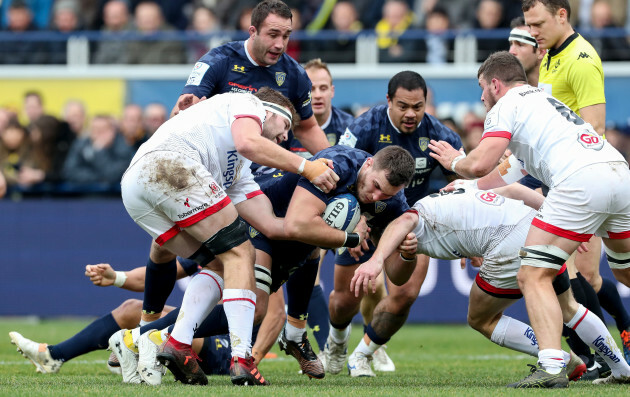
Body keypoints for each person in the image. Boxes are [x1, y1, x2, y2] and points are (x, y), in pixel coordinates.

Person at [428, 51, 630, 387]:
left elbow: (479, 163)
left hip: (579, 183)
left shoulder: (507, 105)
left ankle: (551, 367)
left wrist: (454, 161)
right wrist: (464, 188)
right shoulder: (542, 103)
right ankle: (622, 369)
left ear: (495, 83)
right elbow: (496, 176)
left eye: (482, 88)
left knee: (533, 275)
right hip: (618, 174)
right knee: (624, 271)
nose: (481, 98)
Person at [116, 88, 337, 387]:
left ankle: (177, 342)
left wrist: (330, 234)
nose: (285, 138)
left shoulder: (238, 170)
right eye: (285, 127)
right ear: (271, 113)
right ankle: (242, 357)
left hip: (135, 188)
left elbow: (271, 226)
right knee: (242, 254)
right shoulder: (249, 102)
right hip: (170, 165)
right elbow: (249, 142)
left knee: (220, 264)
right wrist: (307, 166)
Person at [350, 183, 630, 386]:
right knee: (568, 306)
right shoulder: (456, 191)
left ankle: (561, 361)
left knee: (481, 318)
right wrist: (561, 225)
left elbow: (405, 226)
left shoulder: (410, 219)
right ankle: (621, 369)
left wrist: (375, 260)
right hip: (538, 226)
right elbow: (514, 193)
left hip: (509, 242)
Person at [324, 70, 462, 377]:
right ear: (389, 101)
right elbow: (341, 171)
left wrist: (468, 241)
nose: (411, 113)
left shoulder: (442, 136)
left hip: (410, 219)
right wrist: (356, 222)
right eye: (403, 106)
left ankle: (365, 352)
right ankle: (336, 342)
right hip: (362, 218)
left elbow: (464, 185)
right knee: (346, 298)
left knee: (405, 293)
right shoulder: (365, 125)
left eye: (418, 106)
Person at [524, 0, 630, 370]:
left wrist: (582, 202)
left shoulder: (582, 59)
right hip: (568, 180)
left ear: (562, 15)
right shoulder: (551, 54)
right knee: (590, 275)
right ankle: (609, 354)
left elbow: (595, 130)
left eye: (538, 23)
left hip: (584, 181)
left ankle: (609, 353)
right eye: (528, 25)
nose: (532, 31)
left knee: (588, 275)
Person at [170, 0, 330, 155]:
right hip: (220, 163)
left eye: (286, 36)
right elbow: (179, 113)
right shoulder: (217, 60)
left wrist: (334, 164)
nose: (280, 44)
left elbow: (307, 128)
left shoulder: (296, 74)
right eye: (273, 35)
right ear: (253, 32)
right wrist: (182, 114)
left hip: (272, 169)